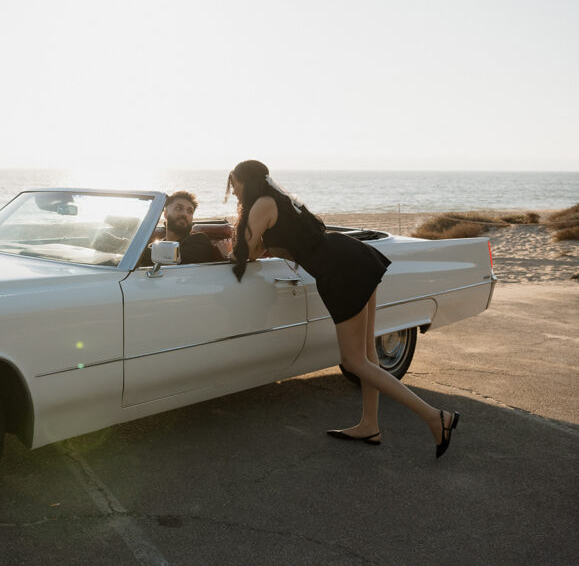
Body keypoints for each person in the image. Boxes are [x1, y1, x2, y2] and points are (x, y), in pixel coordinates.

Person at [226, 160, 459, 458]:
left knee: (353, 361)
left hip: (341, 270)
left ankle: (436, 417)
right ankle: (370, 425)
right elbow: (258, 249)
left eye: (233, 184)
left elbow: (242, 254)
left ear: (244, 180)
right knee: (367, 355)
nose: (233, 192)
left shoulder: (260, 204)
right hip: (352, 255)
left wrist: (230, 237)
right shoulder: (277, 201)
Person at [139, 191, 225, 266]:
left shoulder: (200, 240)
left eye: (190, 211)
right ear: (165, 214)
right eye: (178, 208)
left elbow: (174, 256)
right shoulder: (154, 246)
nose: (185, 214)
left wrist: (139, 251)